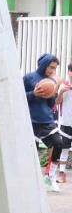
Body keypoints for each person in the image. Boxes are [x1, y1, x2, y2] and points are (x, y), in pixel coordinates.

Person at [23, 53, 63, 192]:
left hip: (46, 120)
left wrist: (54, 92)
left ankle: (51, 176)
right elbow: (19, 98)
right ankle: (29, 181)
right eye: (51, 67)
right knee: (31, 153)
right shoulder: (28, 78)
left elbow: (51, 103)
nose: (52, 71)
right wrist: (33, 94)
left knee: (58, 143)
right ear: (44, 64)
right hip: (29, 121)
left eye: (55, 69)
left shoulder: (51, 81)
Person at [56, 63, 72, 183]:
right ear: (68, 72)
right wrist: (61, 92)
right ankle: (61, 173)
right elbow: (56, 102)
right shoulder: (63, 85)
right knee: (64, 148)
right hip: (66, 122)